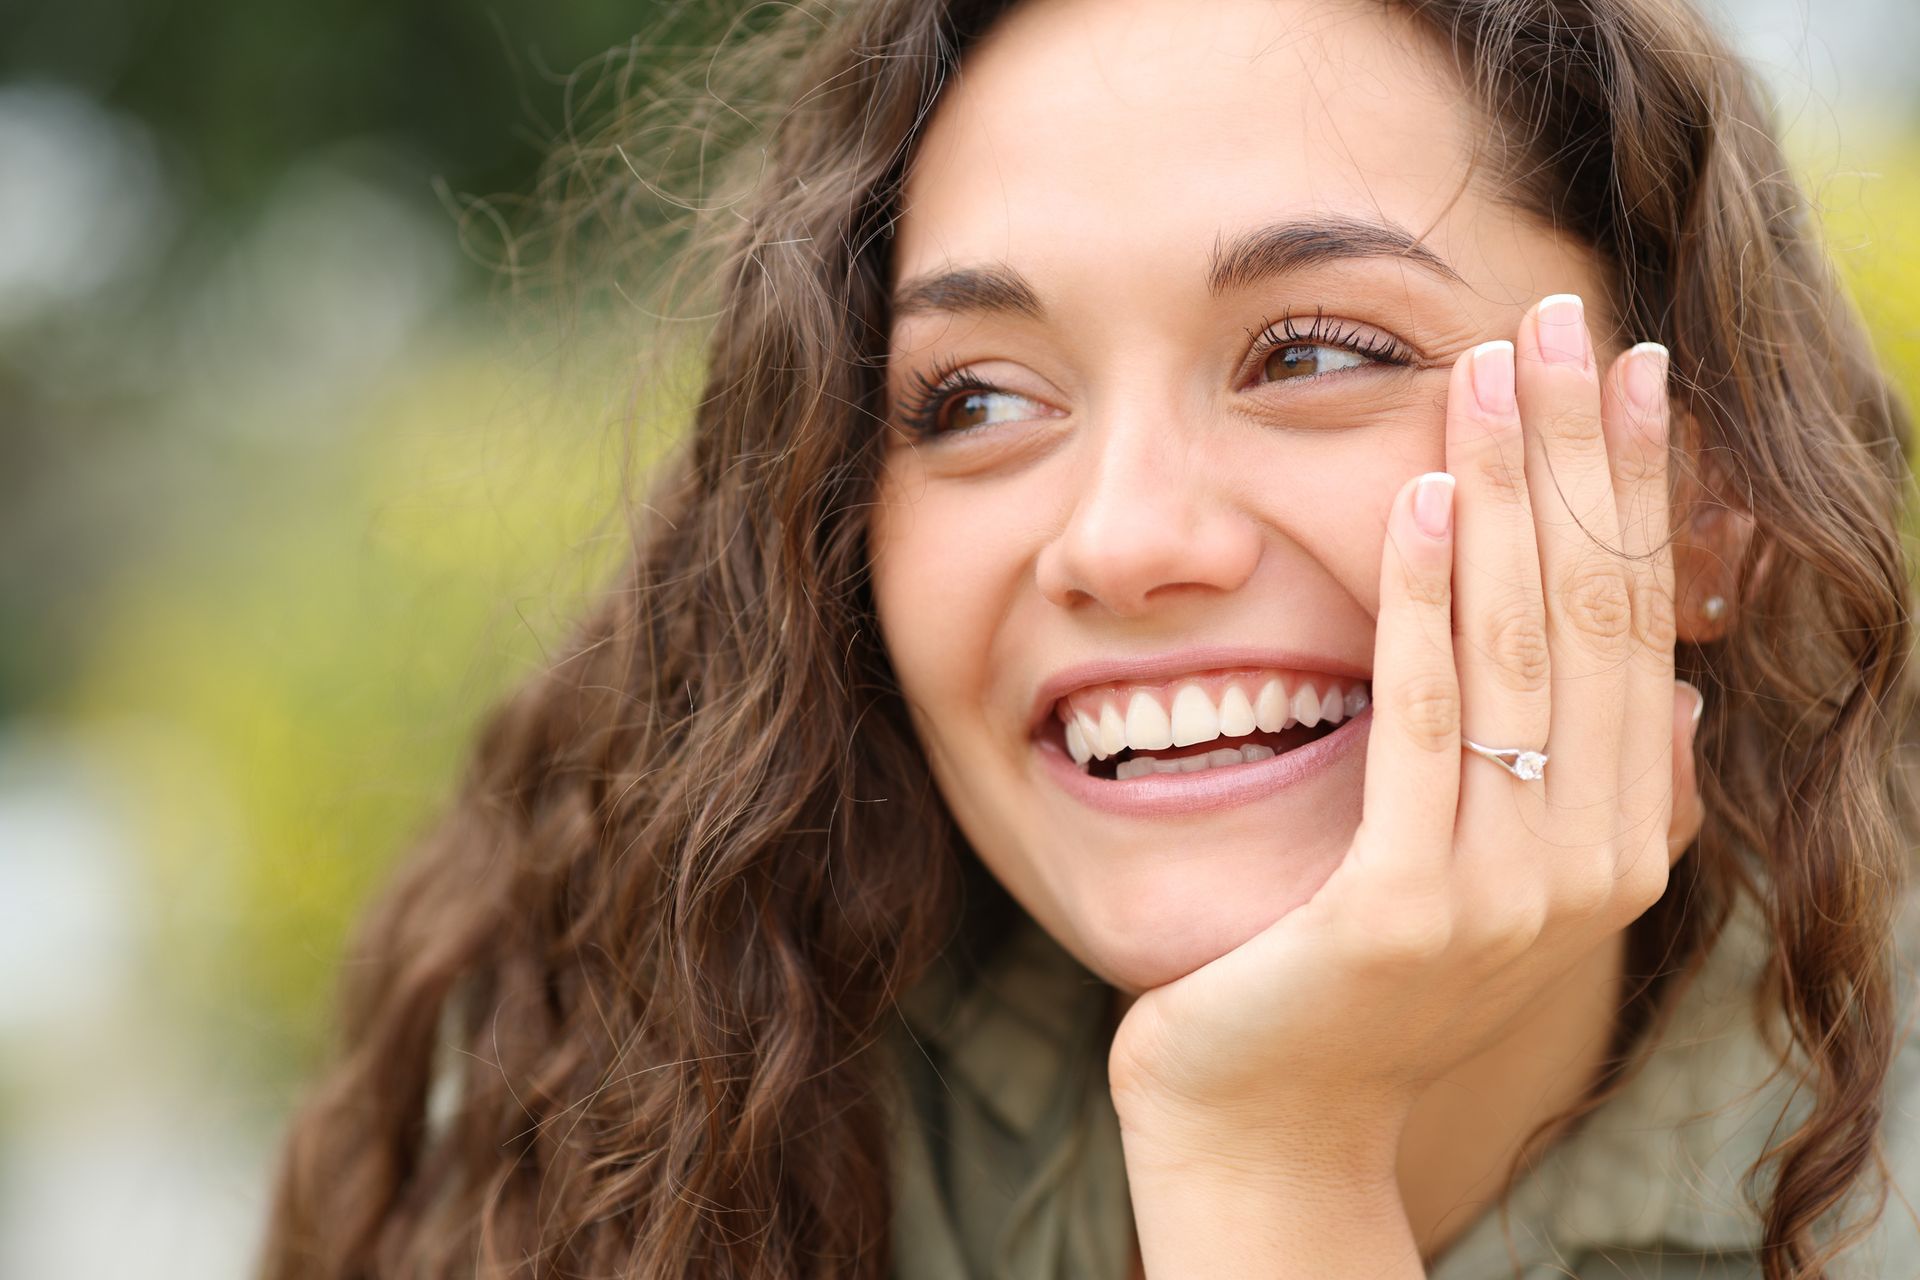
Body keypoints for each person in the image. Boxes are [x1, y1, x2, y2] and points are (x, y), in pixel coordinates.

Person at [258, 0, 1920, 1276]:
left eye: (1316, 353)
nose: (1122, 537)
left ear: (1707, 502)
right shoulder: (674, 1117)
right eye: (973, 398)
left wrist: (1273, 1156)